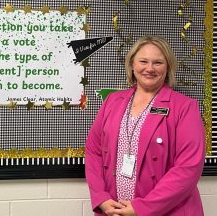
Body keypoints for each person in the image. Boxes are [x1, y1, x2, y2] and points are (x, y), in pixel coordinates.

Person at [85, 35, 205, 216]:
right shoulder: (112, 102)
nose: (150, 68)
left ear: (168, 67)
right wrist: (102, 198)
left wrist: (141, 208)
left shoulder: (185, 107)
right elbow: (93, 151)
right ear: (132, 64)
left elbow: (188, 168)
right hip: (114, 210)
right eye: (143, 61)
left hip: (168, 211)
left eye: (158, 62)